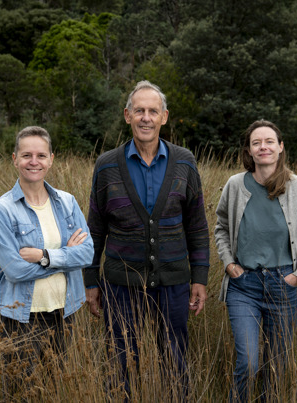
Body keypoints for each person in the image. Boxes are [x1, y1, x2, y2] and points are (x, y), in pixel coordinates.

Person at [85, 80, 210, 398]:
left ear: (164, 117)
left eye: (153, 111)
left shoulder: (184, 162)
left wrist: (200, 278)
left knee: (175, 359)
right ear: (127, 115)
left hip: (174, 283)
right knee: (119, 362)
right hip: (119, 284)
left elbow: (196, 225)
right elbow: (95, 230)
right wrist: (90, 282)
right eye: (139, 110)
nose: (146, 117)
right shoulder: (107, 165)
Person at [214, 120, 297, 402]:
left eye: (270, 141)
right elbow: (221, 228)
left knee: (275, 367)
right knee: (248, 363)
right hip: (243, 285)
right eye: (257, 143)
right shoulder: (235, 185)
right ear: (249, 150)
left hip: (284, 285)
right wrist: (228, 263)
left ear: (280, 147)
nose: (264, 147)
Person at [0, 126, 94, 399]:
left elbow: (87, 254)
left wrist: (44, 256)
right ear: (15, 159)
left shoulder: (67, 202)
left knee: (53, 390)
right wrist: (64, 258)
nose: (33, 162)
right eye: (26, 155)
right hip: (21, 316)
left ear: (51, 159)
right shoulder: (2, 209)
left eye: (40, 155)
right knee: (19, 393)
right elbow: (14, 270)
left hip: (63, 312)